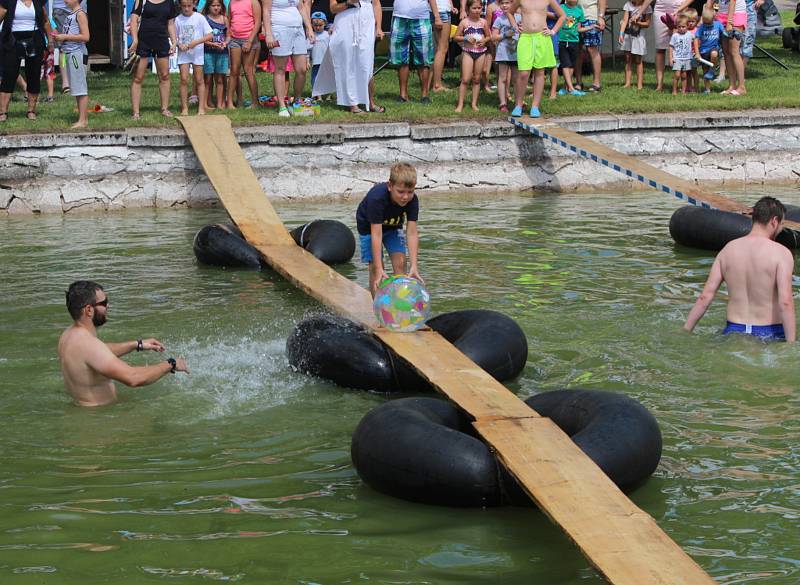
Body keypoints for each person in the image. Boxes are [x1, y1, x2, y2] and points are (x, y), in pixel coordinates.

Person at [58, 281, 189, 407]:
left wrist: (136, 344)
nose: (108, 306)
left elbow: (98, 352)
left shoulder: (69, 335)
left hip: (86, 414)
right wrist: (171, 364)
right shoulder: (88, 345)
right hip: (102, 419)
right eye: (104, 302)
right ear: (89, 310)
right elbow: (134, 378)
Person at [684, 197, 796, 342]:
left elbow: (705, 297)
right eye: (781, 224)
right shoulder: (781, 253)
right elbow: (785, 301)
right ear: (774, 221)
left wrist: (686, 330)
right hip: (769, 333)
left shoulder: (727, 250)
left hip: (733, 331)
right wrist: (791, 343)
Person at [355, 163, 422, 296]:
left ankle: (400, 306)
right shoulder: (377, 198)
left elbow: (412, 233)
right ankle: (378, 309)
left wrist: (414, 265)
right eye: (401, 192)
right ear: (390, 186)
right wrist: (379, 268)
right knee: (376, 269)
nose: (405, 197)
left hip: (393, 227)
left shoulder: (412, 201)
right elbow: (376, 234)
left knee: (401, 263)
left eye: (410, 192)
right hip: (369, 228)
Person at [312, 0, 384, 113]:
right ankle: (352, 104)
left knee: (367, 64)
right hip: (345, 23)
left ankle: (370, 102)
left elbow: (376, 4)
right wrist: (349, 2)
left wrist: (379, 27)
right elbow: (333, 8)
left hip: (366, 23)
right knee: (347, 63)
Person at [508, 0, 564, 118]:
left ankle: (535, 106)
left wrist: (553, 31)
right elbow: (509, 12)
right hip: (526, 38)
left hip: (542, 37)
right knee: (523, 73)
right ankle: (518, 105)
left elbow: (562, 15)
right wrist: (514, 26)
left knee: (539, 72)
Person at [0, 0, 52, 122]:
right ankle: (2, 112)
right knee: (9, 74)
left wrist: (50, 41)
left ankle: (31, 110)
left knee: (33, 74)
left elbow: (45, 21)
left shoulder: (38, 1)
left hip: (34, 39)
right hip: (12, 40)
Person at [129, 0, 179, 119]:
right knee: (138, 77)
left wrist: (174, 41)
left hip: (161, 40)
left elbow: (170, 23)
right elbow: (134, 20)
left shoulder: (169, 2)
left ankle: (164, 109)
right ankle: (136, 113)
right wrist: (135, 40)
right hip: (144, 41)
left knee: (165, 76)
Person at [263, 0, 312, 117]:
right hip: (280, 28)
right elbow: (266, 11)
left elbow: (301, 7)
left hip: (298, 28)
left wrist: (309, 27)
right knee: (280, 69)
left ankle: (296, 101)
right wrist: (268, 34)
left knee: (302, 69)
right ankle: (282, 106)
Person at [390, 0, 442, 103]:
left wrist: (437, 17)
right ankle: (403, 95)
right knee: (401, 58)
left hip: (421, 17)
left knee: (424, 57)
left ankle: (424, 95)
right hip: (400, 16)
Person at [53, 0, 89, 128]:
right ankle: (82, 117)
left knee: (80, 87)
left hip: (77, 54)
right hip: (70, 54)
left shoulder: (80, 14)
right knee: (76, 87)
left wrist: (65, 37)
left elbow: (86, 37)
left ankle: (83, 120)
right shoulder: (71, 15)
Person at [176, 0, 212, 115]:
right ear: (180, 6)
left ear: (194, 5)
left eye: (189, 6)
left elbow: (210, 35)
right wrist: (179, 44)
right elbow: (174, 37)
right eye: (184, 6)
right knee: (184, 79)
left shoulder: (199, 18)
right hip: (184, 54)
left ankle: (201, 107)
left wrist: (196, 42)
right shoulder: (178, 19)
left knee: (199, 79)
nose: (186, 9)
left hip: (197, 53)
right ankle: (184, 108)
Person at [454, 0, 489, 112]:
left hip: (480, 52)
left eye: (479, 8)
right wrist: (465, 38)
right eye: (474, 8)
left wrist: (484, 41)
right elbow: (455, 37)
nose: (477, 10)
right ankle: (460, 104)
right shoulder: (464, 22)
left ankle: (474, 103)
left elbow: (489, 36)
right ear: (468, 9)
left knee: (477, 79)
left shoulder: (483, 22)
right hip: (468, 52)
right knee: (465, 79)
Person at [226, 0, 260, 109]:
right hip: (235, 40)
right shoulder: (232, 2)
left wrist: (250, 41)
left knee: (248, 70)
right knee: (234, 70)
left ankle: (255, 102)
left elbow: (258, 22)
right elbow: (229, 20)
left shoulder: (253, 2)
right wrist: (229, 35)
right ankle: (230, 103)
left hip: (249, 39)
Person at [709, 0, 746, 95]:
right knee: (726, 53)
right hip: (722, 15)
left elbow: (732, 2)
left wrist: (729, 22)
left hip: (735, 15)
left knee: (734, 52)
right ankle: (732, 86)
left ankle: (741, 87)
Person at [50, 0, 85, 94]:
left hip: (79, 7)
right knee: (63, 48)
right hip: (61, 9)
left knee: (79, 42)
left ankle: (77, 78)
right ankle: (66, 83)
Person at [492, 0, 521, 111]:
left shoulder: (519, 18)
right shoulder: (499, 19)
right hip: (503, 53)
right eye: (502, 3)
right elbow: (493, 37)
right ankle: (503, 103)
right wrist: (505, 34)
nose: (504, 5)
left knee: (516, 79)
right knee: (502, 78)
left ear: (513, 4)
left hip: (517, 52)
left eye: (507, 3)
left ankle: (518, 102)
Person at [618, 0, 651, 90]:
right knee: (628, 59)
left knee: (638, 61)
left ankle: (639, 84)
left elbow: (647, 24)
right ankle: (627, 83)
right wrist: (621, 34)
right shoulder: (628, 5)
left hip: (639, 37)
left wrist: (637, 23)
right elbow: (625, 21)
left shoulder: (647, 7)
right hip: (628, 35)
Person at [557, 0, 587, 95]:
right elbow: (556, 18)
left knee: (571, 65)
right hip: (562, 40)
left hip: (574, 41)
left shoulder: (579, 10)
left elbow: (578, 28)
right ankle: (571, 89)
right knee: (565, 64)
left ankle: (565, 87)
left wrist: (591, 27)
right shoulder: (561, 7)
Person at [573, 0, 605, 92]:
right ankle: (578, 82)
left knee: (592, 49)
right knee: (576, 49)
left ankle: (596, 83)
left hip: (591, 18)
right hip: (575, 17)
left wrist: (601, 17)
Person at [429, 0, 459, 92]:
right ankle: (437, 85)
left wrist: (451, 6)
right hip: (440, 12)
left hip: (443, 11)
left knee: (441, 48)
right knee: (442, 49)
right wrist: (437, 17)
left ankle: (431, 83)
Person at [693, 6, 723, 93]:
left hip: (713, 47)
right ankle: (707, 89)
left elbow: (724, 33)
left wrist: (728, 33)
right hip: (703, 51)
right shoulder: (702, 27)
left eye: (709, 23)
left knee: (714, 54)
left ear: (714, 18)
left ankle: (712, 70)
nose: (707, 25)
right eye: (705, 23)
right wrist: (697, 53)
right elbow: (696, 39)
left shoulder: (718, 24)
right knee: (705, 72)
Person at [668, 14, 692, 94]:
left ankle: (683, 91)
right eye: (679, 27)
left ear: (687, 26)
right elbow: (671, 47)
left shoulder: (689, 34)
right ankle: (674, 90)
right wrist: (670, 58)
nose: (681, 29)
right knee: (677, 75)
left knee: (684, 75)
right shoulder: (675, 35)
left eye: (683, 27)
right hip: (677, 58)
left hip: (686, 58)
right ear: (677, 26)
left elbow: (696, 40)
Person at [308, 11, 329, 92]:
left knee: (327, 78)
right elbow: (308, 49)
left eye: (320, 25)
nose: (318, 27)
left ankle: (328, 94)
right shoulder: (311, 35)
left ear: (325, 24)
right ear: (312, 25)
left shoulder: (327, 35)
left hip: (326, 61)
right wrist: (307, 60)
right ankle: (317, 93)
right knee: (315, 78)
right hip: (316, 62)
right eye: (315, 25)